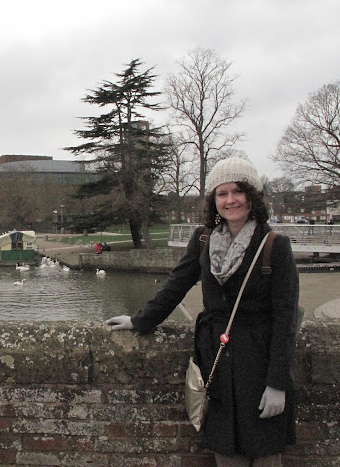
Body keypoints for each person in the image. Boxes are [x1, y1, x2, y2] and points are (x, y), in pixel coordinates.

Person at [106, 157, 299, 467]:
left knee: (265, 454)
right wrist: (140, 320)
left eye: (238, 191)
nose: (230, 200)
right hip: (217, 361)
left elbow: (285, 317)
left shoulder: (274, 245)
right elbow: (176, 285)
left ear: (253, 195)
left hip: (259, 361)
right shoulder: (203, 238)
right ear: (214, 200)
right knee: (226, 452)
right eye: (222, 193)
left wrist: (277, 383)